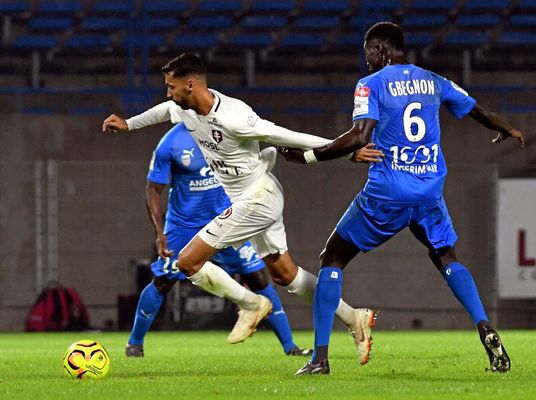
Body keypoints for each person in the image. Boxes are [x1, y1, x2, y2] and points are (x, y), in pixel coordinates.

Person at [103, 53, 383, 364]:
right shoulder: (186, 109)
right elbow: (165, 110)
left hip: (259, 198)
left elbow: (289, 136)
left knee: (188, 262)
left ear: (190, 85)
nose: (168, 93)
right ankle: (353, 317)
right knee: (285, 275)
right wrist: (128, 124)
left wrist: (346, 153)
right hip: (250, 198)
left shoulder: (235, 117)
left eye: (172, 87)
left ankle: (251, 304)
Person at [278, 22, 525, 375]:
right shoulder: (433, 80)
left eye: (367, 55)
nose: (366, 63)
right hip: (428, 192)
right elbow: (477, 110)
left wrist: (307, 156)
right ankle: (485, 326)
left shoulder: (370, 85)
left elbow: (358, 136)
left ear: (379, 50)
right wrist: (508, 128)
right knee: (446, 257)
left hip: (386, 194)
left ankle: (320, 358)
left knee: (331, 259)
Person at [126, 122, 311, 357]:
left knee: (258, 277)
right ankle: (135, 343)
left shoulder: (226, 128)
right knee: (164, 281)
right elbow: (153, 189)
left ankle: (290, 347)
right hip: (183, 226)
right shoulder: (170, 143)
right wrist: (159, 233)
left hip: (226, 220)